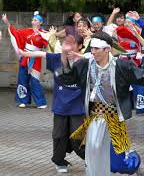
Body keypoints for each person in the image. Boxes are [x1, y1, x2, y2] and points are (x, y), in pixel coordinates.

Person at [57, 31, 141, 176]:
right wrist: (64, 56)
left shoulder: (121, 66)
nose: (92, 51)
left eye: (96, 49)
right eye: (92, 48)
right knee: (93, 152)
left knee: (118, 164)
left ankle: (134, 159)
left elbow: (141, 77)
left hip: (114, 118)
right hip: (94, 117)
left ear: (107, 49)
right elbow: (67, 79)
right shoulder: (85, 65)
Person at [20, 35, 86, 173]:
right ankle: (60, 161)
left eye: (71, 43)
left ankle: (90, 159)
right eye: (65, 43)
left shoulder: (84, 61)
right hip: (61, 105)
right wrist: (24, 53)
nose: (67, 46)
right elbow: (40, 53)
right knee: (58, 134)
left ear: (79, 46)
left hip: (77, 106)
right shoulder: (56, 58)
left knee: (77, 137)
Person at [2, 12, 48, 109]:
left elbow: (48, 43)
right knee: (22, 78)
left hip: (35, 58)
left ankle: (41, 102)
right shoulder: (27, 31)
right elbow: (16, 33)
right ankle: (23, 100)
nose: (33, 21)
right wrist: (7, 23)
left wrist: (42, 34)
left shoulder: (44, 33)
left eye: (35, 20)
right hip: (25, 57)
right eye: (32, 20)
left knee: (35, 80)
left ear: (41, 22)